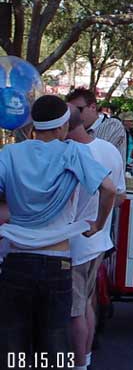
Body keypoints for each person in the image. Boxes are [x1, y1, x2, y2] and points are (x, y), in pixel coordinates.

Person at [0, 95, 116, 370]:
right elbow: (109, 189)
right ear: (63, 126)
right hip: (58, 261)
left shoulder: (9, 154)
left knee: (13, 343)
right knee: (54, 344)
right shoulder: (72, 153)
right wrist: (98, 224)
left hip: (16, 260)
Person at [66, 105, 126, 370]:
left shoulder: (71, 152)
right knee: (85, 304)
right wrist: (101, 221)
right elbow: (119, 196)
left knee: (74, 311)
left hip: (76, 242)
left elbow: (111, 191)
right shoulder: (109, 149)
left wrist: (93, 220)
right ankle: (86, 358)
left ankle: (77, 363)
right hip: (97, 242)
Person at [66, 88, 127, 168]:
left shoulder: (112, 125)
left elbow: (97, 159)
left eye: (78, 110)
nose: (74, 115)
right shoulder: (70, 128)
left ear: (93, 107)